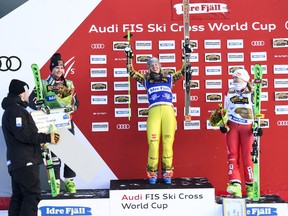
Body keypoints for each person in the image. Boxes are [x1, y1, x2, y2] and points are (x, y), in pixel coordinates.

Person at [125, 48, 188, 184]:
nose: (155, 66)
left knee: (167, 143)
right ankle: (152, 173)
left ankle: (167, 173)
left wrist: (185, 56)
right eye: (152, 65)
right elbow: (131, 72)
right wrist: (129, 57)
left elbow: (184, 71)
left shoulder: (169, 78)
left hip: (168, 112)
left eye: (156, 64)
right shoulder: (146, 80)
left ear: (160, 66)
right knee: (153, 144)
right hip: (154, 111)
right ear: (148, 68)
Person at [1, 79, 60, 216]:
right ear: (21, 93)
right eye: (27, 91)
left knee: (19, 197)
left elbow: (23, 135)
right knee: (32, 195)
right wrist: (47, 137)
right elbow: (23, 135)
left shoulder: (13, 109)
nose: (28, 95)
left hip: (18, 162)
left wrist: (41, 140)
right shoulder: (16, 110)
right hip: (25, 161)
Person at [29, 53, 79, 194]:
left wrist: (72, 107)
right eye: (56, 67)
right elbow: (32, 100)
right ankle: (55, 182)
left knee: (70, 153)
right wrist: (41, 106)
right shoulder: (43, 84)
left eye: (61, 67)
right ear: (52, 69)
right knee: (54, 152)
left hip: (66, 122)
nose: (59, 70)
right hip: (51, 123)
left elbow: (77, 102)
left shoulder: (68, 84)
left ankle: (70, 181)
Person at [220, 69, 263, 198]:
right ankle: (235, 185)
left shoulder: (252, 93)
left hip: (247, 127)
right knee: (232, 155)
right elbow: (225, 109)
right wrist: (223, 124)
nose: (234, 81)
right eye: (233, 78)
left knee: (248, 157)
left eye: (237, 79)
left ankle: (250, 187)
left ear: (244, 80)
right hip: (232, 126)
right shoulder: (229, 92)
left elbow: (257, 110)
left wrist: (258, 126)